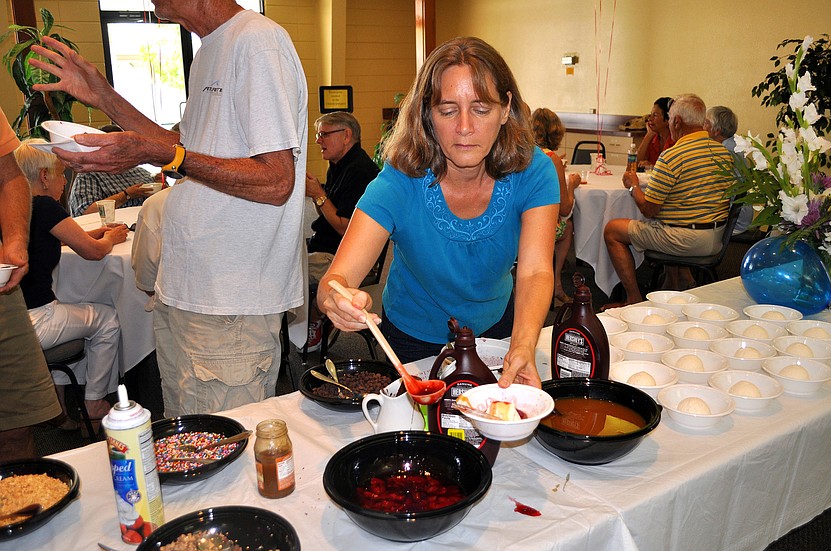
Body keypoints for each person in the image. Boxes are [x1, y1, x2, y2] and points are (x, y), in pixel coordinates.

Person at [31, 0, 309, 417]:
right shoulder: (210, 49)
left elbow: (275, 180)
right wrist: (104, 97)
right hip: (188, 291)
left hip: (228, 301)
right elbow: (182, 145)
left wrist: (166, 156)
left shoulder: (257, 42)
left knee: (220, 452)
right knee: (188, 436)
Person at [317, 37, 560, 388]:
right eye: (447, 110)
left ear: (506, 109)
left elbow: (536, 270)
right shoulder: (400, 181)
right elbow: (334, 282)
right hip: (414, 338)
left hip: (500, 325)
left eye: (481, 109)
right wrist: (335, 300)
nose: (464, 127)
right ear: (428, 115)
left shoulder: (534, 170)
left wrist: (523, 343)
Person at [14, 139, 127, 428]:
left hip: (16, 319)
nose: (64, 181)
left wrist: (99, 232)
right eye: (61, 173)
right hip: (37, 319)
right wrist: (111, 238)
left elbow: (57, 237)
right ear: (44, 176)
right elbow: (94, 252)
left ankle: (59, 406)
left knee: (74, 315)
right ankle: (94, 401)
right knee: (107, 319)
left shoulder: (17, 208)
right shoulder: (44, 205)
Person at [603, 94, 733, 307]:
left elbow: (648, 209)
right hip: (716, 237)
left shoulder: (673, 156)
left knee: (612, 229)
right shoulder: (723, 153)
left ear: (677, 121)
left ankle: (633, 298)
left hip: (686, 240)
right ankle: (678, 281)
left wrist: (634, 185)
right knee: (667, 219)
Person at [0, 110, 62, 462]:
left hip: (4, 294)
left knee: (18, 424)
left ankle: (22, 512)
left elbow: (8, 178)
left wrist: (15, 241)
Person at [304, 112, 379, 350]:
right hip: (323, 249)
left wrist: (318, 194)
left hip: (337, 257)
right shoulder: (337, 166)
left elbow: (344, 228)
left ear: (346, 136)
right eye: (318, 135)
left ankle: (315, 320)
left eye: (324, 134)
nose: (318, 141)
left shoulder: (361, 171)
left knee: (283, 272)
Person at [531, 107, 581, 308]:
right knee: (567, 226)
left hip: (517, 223)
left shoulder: (523, 152)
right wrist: (572, 186)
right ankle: (556, 283)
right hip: (538, 229)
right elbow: (564, 208)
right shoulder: (552, 159)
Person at [67, 124, 158, 217]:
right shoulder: (89, 175)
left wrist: (162, 184)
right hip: (111, 227)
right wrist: (126, 195)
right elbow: (85, 212)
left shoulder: (140, 172)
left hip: (147, 223)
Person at [704, 105, 754, 235]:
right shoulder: (734, 145)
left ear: (717, 130)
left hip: (734, 219)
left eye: (706, 123)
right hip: (742, 213)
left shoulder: (724, 152)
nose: (702, 127)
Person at [635, 96, 674, 169]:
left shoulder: (676, 141)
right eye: (651, 115)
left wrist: (652, 167)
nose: (650, 119)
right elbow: (634, 165)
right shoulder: (653, 138)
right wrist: (648, 136)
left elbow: (671, 171)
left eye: (655, 115)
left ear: (668, 119)